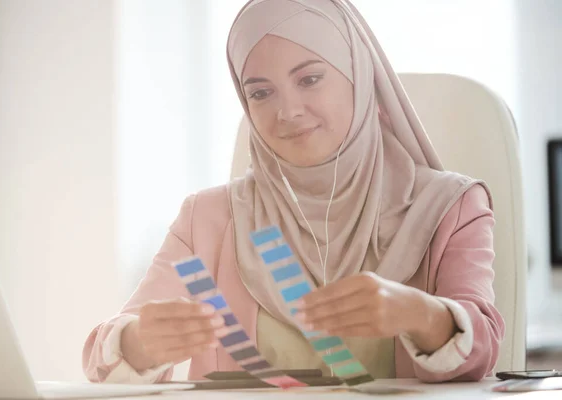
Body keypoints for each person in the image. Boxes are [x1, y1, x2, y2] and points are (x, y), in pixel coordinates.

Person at [82, 0, 504, 384]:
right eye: (261, 93)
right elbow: (100, 359)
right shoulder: (207, 220)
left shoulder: (450, 208)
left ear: (360, 77)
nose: (287, 111)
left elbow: (482, 348)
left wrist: (420, 315)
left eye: (310, 79)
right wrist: (140, 342)